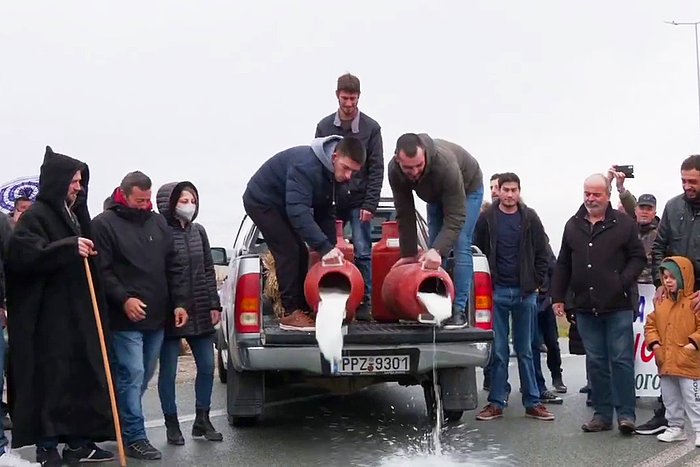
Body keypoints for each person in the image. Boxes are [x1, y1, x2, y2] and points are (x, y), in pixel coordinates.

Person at [5, 146, 114, 465]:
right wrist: (68, 247)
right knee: (52, 381)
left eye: (81, 182)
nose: (78, 187)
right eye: (73, 181)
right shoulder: (36, 217)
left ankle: (80, 441)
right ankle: (47, 445)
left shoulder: (75, 216)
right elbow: (23, 255)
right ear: (57, 181)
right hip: (50, 320)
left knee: (80, 379)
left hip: (78, 316)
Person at [92, 171, 189, 461]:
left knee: (143, 375)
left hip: (157, 315)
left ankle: (120, 421)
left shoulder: (158, 222)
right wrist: (124, 299)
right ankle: (134, 435)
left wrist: (179, 302)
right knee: (131, 374)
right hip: (125, 318)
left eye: (148, 200)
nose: (144, 204)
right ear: (123, 194)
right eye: (139, 200)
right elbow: (103, 271)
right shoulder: (104, 224)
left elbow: (173, 265)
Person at [552, 173, 646, 435]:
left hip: (617, 305)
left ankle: (626, 415)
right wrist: (558, 297)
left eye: (596, 194)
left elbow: (638, 258)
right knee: (596, 362)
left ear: (608, 195)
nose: (591, 199)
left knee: (621, 361)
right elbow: (563, 263)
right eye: (587, 193)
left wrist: (621, 281)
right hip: (585, 306)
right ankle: (602, 415)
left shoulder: (624, 225)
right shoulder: (572, 225)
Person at [243, 136, 366, 331]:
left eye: (354, 171)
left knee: (301, 250)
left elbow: (324, 212)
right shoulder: (306, 166)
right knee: (289, 250)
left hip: (283, 203)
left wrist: (331, 246)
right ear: (335, 157)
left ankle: (301, 307)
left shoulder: (333, 175)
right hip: (262, 201)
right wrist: (324, 248)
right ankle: (290, 313)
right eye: (346, 168)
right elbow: (298, 211)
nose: (349, 176)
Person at [473, 172, 554, 421]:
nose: (509, 194)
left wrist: (537, 281)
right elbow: (477, 250)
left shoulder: (529, 217)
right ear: (499, 191)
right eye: (505, 190)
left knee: (526, 350)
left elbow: (543, 251)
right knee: (498, 351)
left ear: (519, 191)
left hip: (524, 293)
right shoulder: (487, 218)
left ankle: (533, 401)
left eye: (513, 190)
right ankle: (496, 402)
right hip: (496, 292)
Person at [389, 133, 484, 329]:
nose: (414, 172)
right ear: (398, 159)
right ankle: (436, 307)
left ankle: (458, 311)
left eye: (419, 165)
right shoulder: (394, 171)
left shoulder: (445, 165)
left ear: (425, 155)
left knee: (460, 242)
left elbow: (456, 216)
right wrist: (409, 254)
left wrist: (438, 251)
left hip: (467, 190)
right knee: (431, 250)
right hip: (434, 197)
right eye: (408, 168)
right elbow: (405, 212)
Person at [156, 182, 223, 445]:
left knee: (207, 366)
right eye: (183, 200)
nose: (189, 204)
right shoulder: (160, 233)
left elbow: (208, 268)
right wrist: (172, 305)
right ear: (169, 203)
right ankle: (172, 424)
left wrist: (214, 304)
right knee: (169, 372)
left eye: (192, 199)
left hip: (201, 310)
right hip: (171, 313)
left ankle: (202, 419)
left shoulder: (199, 232)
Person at [315, 73, 383, 321]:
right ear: (337, 96)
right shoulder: (324, 127)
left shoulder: (371, 128)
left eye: (353, 99)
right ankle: (329, 301)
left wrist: (370, 203)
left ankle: (365, 303)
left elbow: (377, 168)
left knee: (363, 250)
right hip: (331, 198)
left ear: (359, 97)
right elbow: (318, 162)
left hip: (359, 200)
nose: (349, 103)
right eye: (345, 98)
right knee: (328, 249)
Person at [642, 155, 700, 435]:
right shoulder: (673, 207)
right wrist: (659, 282)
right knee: (671, 357)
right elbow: (659, 247)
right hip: (674, 296)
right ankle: (667, 415)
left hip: (698, 297)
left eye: (693, 181)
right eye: (684, 181)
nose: (687, 186)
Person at [644, 256, 700, 446]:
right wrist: (655, 346)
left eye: (672, 277)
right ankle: (676, 427)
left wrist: (692, 345)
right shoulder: (661, 303)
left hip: (689, 362)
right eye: (665, 277)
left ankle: (699, 428)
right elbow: (650, 326)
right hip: (666, 361)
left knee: (693, 399)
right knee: (670, 398)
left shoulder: (694, 303)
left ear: (684, 277)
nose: (668, 281)